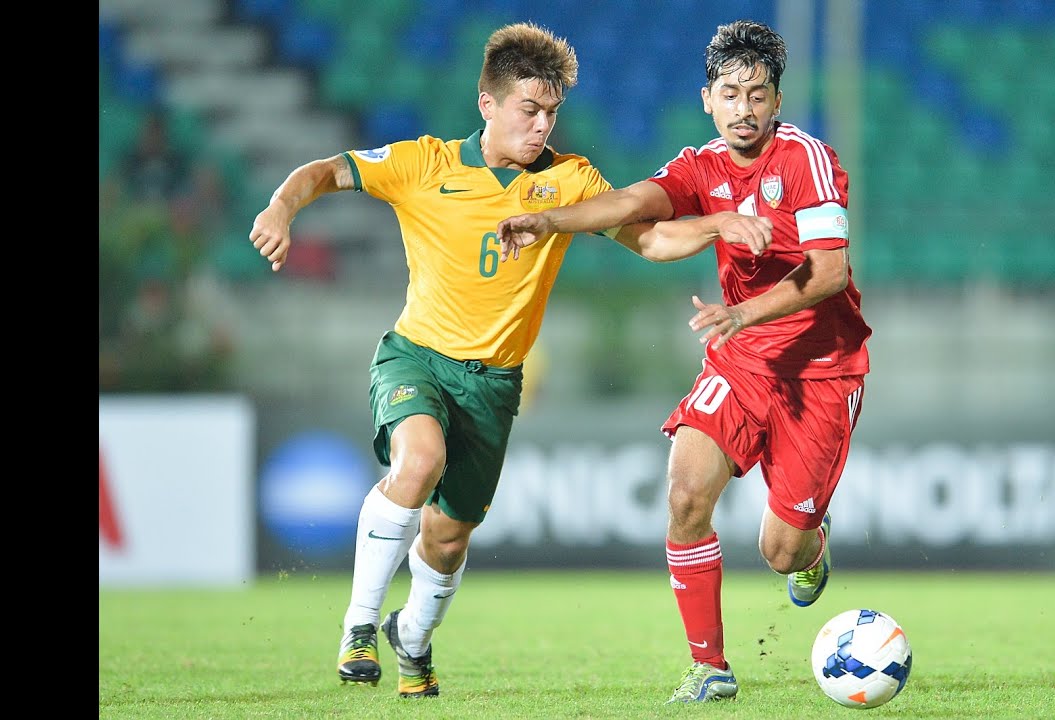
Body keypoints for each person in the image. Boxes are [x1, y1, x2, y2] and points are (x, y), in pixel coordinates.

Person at [247, 22, 773, 700]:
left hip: (494, 386)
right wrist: (280, 208)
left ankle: (412, 640)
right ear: (487, 104)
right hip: (416, 358)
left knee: (447, 538)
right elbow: (324, 171)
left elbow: (652, 241)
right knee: (419, 461)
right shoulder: (424, 164)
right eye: (530, 110)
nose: (543, 125)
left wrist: (717, 225)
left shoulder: (568, 180)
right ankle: (357, 628)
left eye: (553, 112)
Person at [496, 19, 873, 704]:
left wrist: (743, 313)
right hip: (740, 365)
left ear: (777, 103)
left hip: (823, 371)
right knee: (685, 493)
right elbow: (631, 204)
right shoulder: (700, 167)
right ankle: (711, 668)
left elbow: (827, 274)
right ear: (708, 99)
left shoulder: (807, 160)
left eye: (758, 95)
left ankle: (814, 546)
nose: (744, 109)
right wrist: (548, 221)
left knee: (781, 551)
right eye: (730, 94)